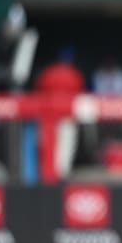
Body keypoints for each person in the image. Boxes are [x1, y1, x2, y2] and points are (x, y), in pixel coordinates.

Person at [34, 46, 85, 179]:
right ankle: (61, 176)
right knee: (65, 147)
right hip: (66, 116)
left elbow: (38, 92)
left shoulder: (48, 72)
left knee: (47, 148)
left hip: (47, 117)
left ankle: (47, 176)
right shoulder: (74, 74)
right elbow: (79, 95)